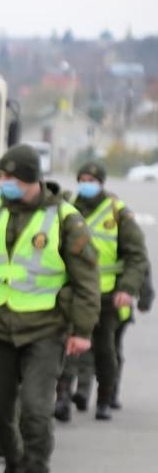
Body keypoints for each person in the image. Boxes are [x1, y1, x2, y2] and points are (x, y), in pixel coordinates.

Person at [0, 144, 100, 473]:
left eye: (12, 179)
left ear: (33, 179)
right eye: (2, 178)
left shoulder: (66, 219)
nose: (3, 184)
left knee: (36, 412)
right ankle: (15, 460)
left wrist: (82, 330)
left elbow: (87, 280)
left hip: (45, 331)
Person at [54, 160, 149, 422]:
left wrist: (128, 288)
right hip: (72, 291)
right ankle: (62, 398)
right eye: (82, 179)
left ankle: (105, 397)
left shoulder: (119, 213)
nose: (86, 184)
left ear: (101, 183)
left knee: (105, 350)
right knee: (67, 346)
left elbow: (137, 257)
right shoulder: (67, 208)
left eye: (91, 180)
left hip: (109, 296)